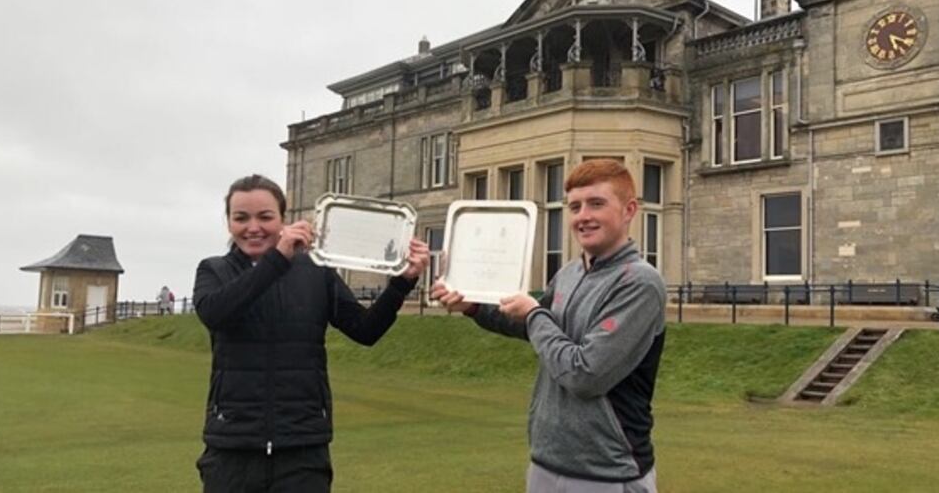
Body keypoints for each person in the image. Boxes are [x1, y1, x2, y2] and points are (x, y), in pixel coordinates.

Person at [432, 159, 666, 493]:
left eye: (596, 204)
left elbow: (585, 374)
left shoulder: (640, 283)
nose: (583, 216)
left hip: (608, 472)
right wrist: (472, 306)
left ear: (629, 210)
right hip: (547, 461)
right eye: (574, 206)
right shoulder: (570, 273)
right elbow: (534, 326)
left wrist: (533, 314)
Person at [193, 174, 429, 492]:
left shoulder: (316, 270)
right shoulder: (214, 270)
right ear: (228, 223)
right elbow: (215, 313)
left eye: (265, 217)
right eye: (241, 218)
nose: (253, 227)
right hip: (232, 447)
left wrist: (402, 282)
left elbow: (366, 330)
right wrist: (278, 259)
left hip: (302, 446)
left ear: (283, 219)